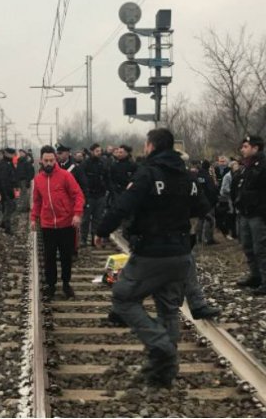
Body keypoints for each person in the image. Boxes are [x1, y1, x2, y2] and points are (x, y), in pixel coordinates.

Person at [95, 128, 210, 387]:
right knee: (169, 308)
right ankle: (163, 373)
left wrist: (102, 231)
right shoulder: (187, 177)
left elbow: (123, 205)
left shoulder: (148, 173)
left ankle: (161, 346)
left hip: (152, 252)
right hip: (181, 252)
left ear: (151, 146)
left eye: (146, 144)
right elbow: (203, 207)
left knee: (123, 298)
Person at [31, 146, 85, 300]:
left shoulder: (65, 176)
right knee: (49, 257)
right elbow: (37, 201)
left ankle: (66, 284)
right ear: (41, 161)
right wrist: (34, 218)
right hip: (48, 225)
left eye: (51, 160)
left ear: (55, 160)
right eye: (46, 160)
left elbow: (78, 195)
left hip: (66, 224)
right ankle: (51, 285)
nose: (49, 163)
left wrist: (77, 214)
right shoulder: (38, 179)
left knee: (66, 256)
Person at [234, 135, 266, 296]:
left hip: (259, 214)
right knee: (248, 246)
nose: (242, 149)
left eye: (246, 146)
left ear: (256, 148)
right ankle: (255, 276)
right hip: (246, 212)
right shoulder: (246, 166)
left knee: (260, 248)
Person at [81, 143, 110, 246]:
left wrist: (107, 189)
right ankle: (83, 239)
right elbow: (82, 179)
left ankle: (94, 239)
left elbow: (107, 177)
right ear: (92, 151)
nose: (99, 153)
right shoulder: (85, 163)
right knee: (85, 219)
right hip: (89, 195)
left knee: (98, 219)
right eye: (97, 151)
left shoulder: (103, 163)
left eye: (100, 151)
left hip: (100, 195)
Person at [195, 160, 218, 245]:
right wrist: (215, 200)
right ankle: (209, 239)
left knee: (200, 220)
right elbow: (211, 190)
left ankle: (199, 238)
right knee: (210, 220)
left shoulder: (197, 175)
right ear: (208, 167)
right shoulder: (207, 177)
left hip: (199, 201)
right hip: (208, 202)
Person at [0, 148, 19, 235]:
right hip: (6, 191)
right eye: (12, 154)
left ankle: (4, 225)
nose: (14, 156)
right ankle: (6, 227)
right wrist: (6, 193)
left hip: (9, 190)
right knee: (9, 208)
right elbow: (3, 180)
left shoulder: (9, 163)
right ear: (7, 154)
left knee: (9, 208)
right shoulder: (4, 164)